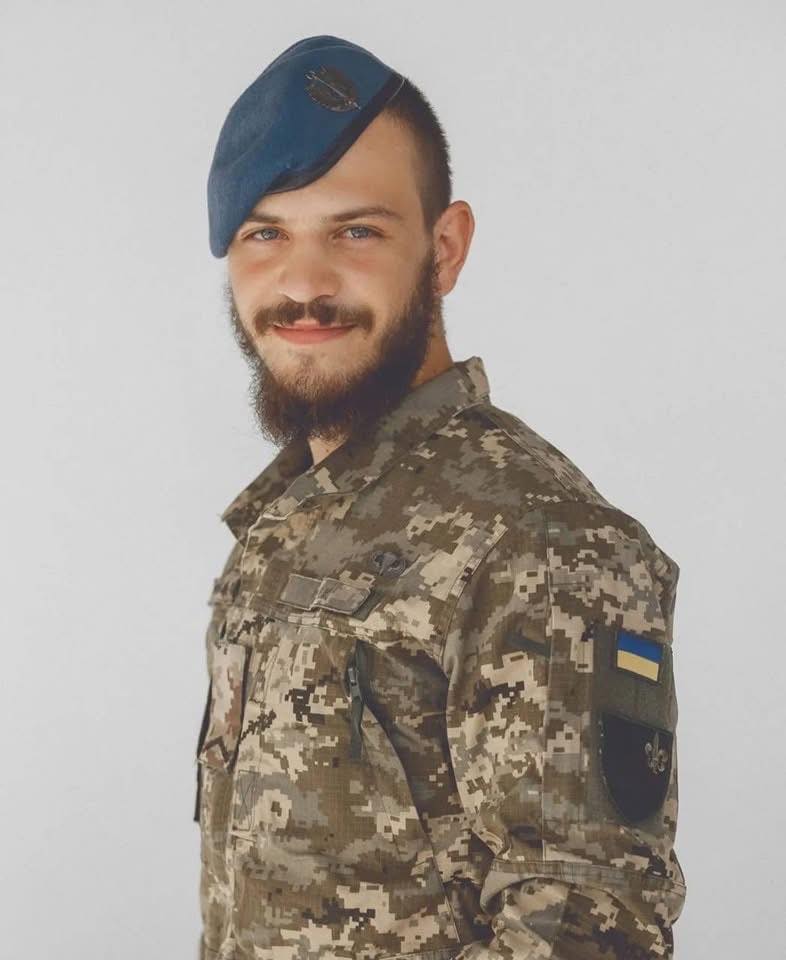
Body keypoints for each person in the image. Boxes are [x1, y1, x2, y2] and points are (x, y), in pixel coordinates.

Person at [194, 34, 687, 960]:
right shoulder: (284, 527)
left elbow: (587, 931)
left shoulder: (540, 540)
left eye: (356, 231)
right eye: (266, 233)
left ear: (444, 248)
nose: (303, 284)